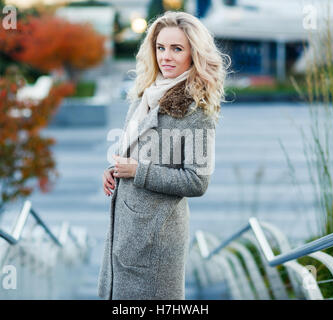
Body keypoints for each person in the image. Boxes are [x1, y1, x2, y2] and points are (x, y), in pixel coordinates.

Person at [98, 11, 229, 300]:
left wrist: (138, 171)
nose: (165, 56)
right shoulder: (145, 94)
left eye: (176, 49)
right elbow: (135, 151)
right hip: (125, 233)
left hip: (156, 241)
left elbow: (197, 181)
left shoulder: (197, 110)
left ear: (194, 54)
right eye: (160, 47)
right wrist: (115, 168)